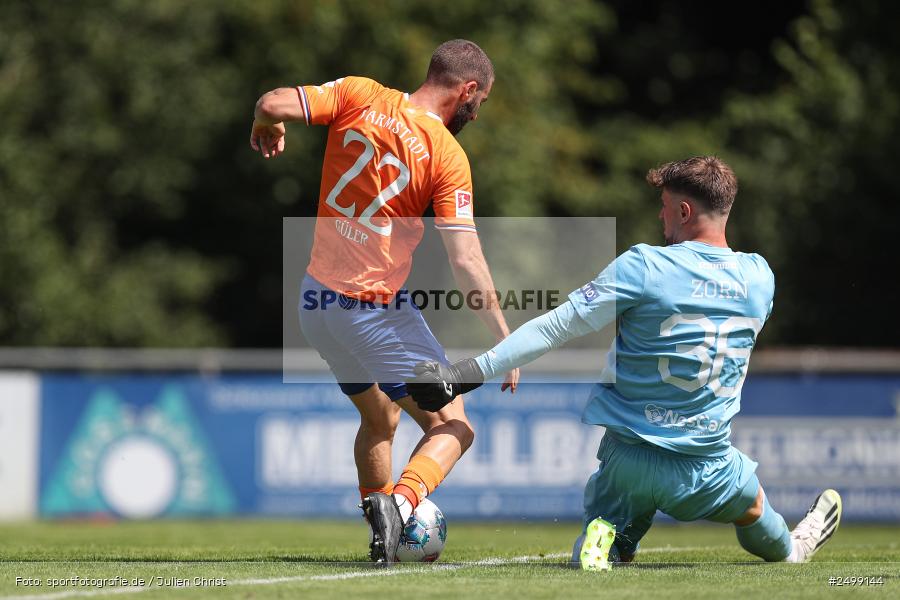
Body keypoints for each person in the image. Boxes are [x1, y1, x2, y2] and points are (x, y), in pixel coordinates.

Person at [408, 156, 841, 569]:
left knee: (616, 522)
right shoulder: (759, 277)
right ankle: (795, 546)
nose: (661, 218)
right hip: (707, 466)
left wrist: (466, 373)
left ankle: (603, 540)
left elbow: (555, 327)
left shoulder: (645, 265)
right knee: (755, 510)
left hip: (628, 461)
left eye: (665, 208)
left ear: (685, 211)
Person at [250, 39, 518, 566]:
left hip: (315, 305)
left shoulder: (359, 93)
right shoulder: (447, 155)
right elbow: (466, 259)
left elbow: (272, 102)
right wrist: (504, 336)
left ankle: (383, 538)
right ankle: (398, 504)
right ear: (467, 91)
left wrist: (267, 123)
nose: (476, 113)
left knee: (381, 421)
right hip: (371, 309)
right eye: (479, 103)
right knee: (453, 427)